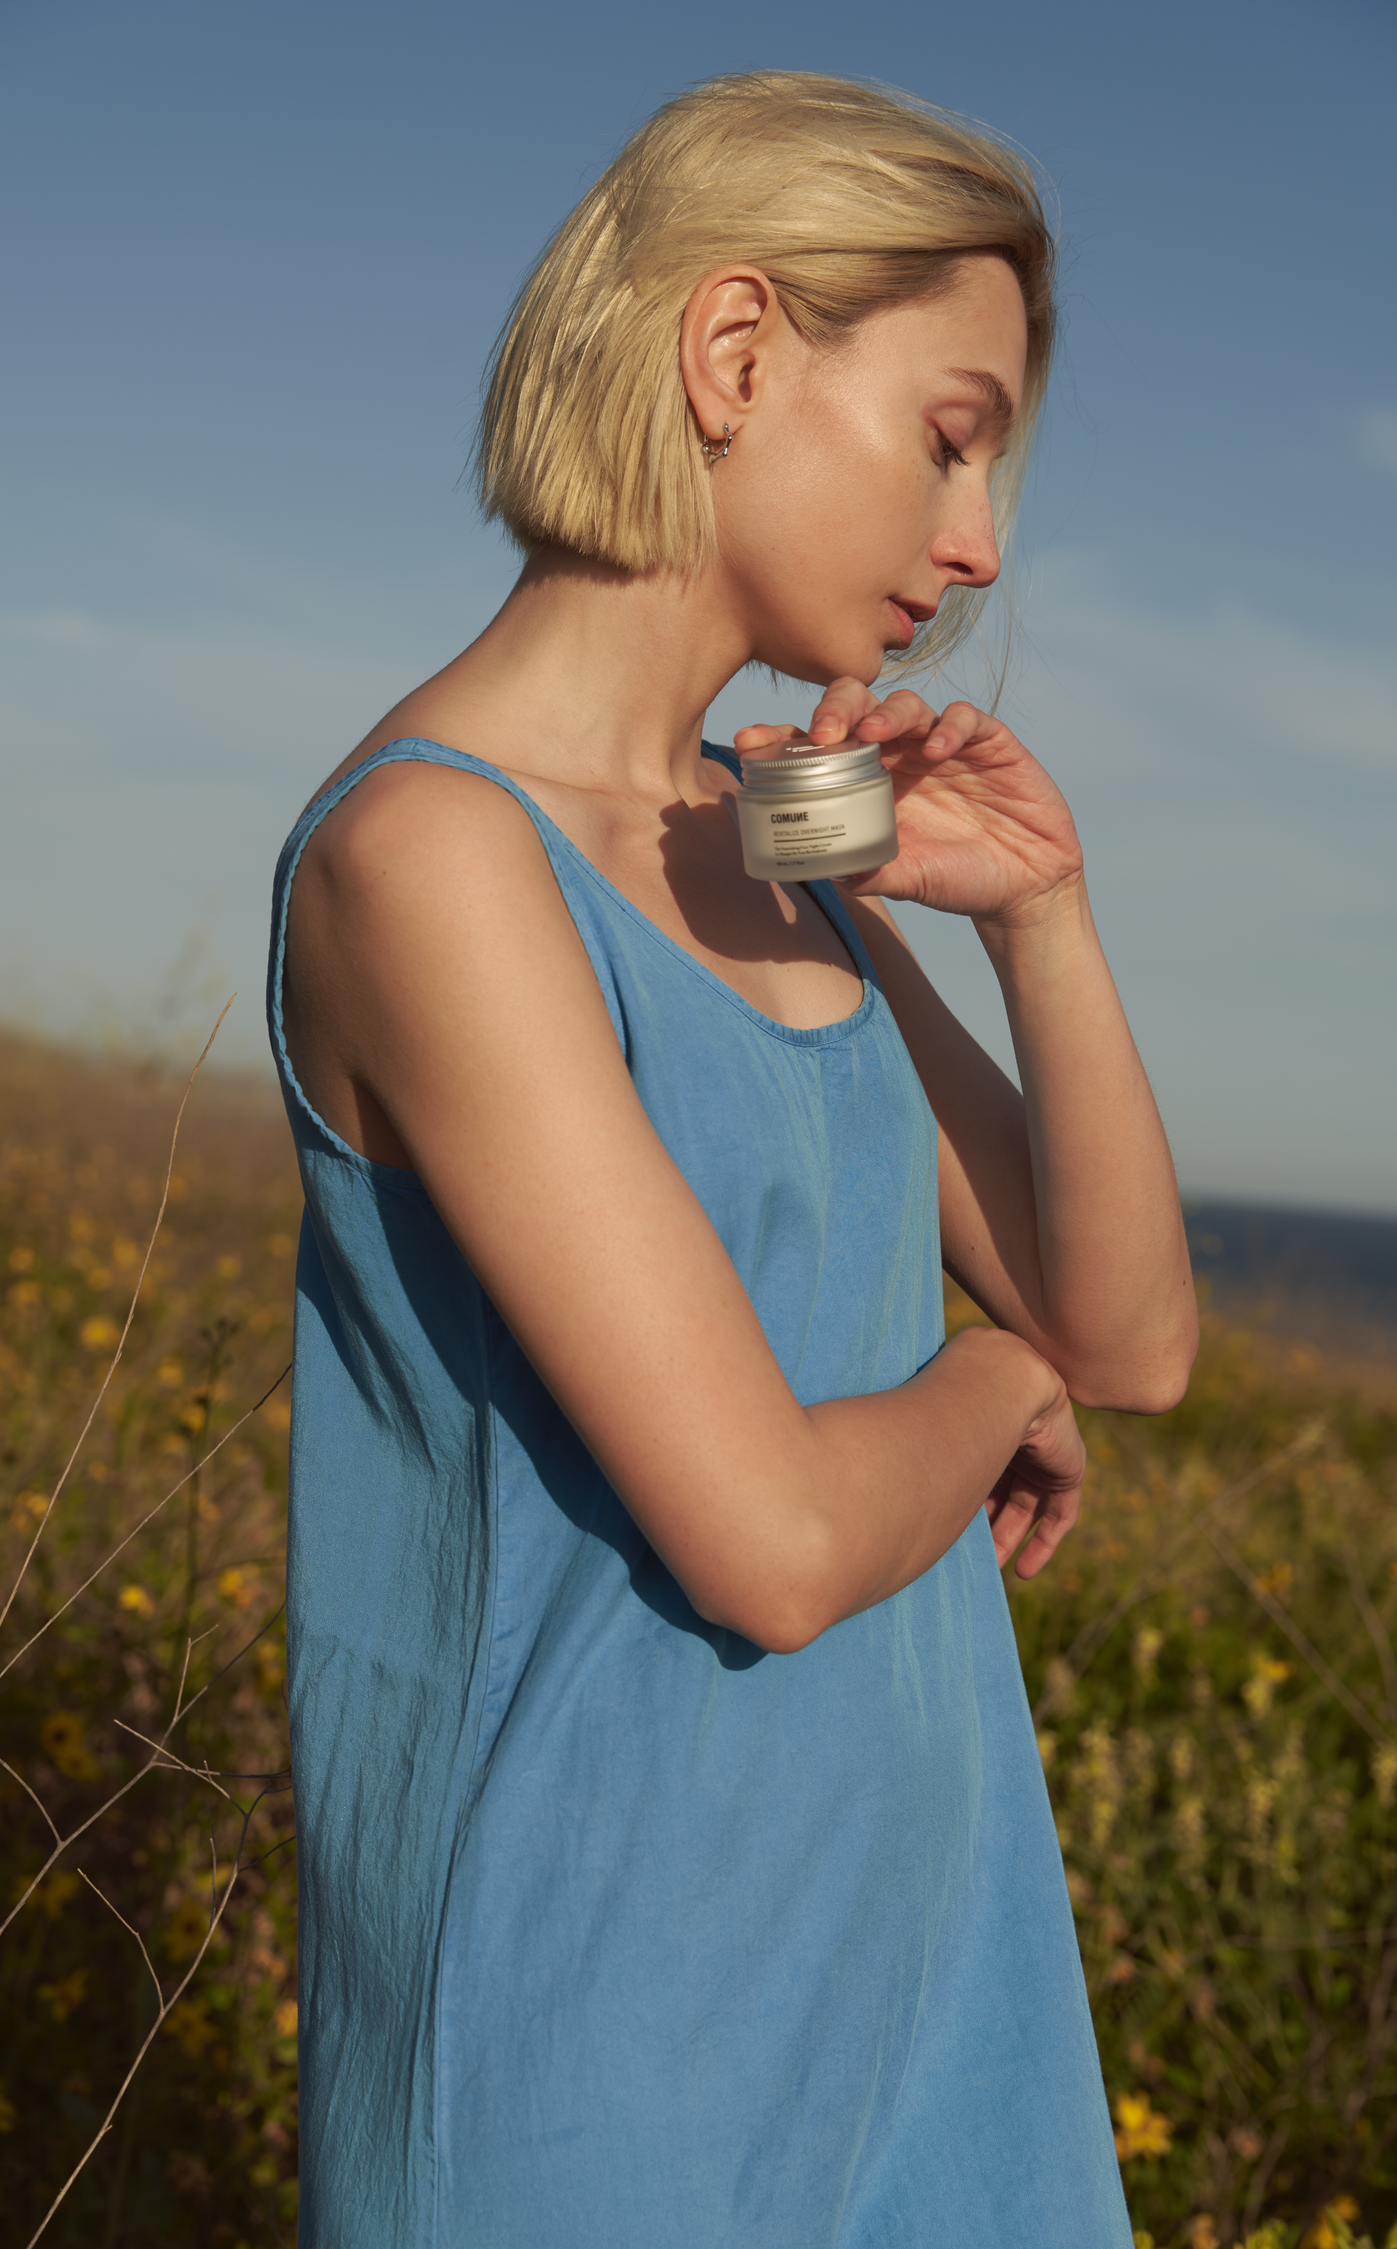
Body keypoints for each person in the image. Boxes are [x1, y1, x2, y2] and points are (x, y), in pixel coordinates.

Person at [268, 69, 1197, 2248]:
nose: (977, 543)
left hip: (933, 1982)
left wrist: (1041, 914)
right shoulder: (431, 863)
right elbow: (773, 1535)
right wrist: (991, 1393)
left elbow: (1133, 1332)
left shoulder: (780, 859)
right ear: (736, 353)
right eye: (953, 434)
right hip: (604, 2044)